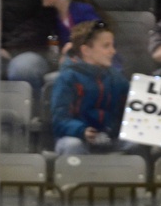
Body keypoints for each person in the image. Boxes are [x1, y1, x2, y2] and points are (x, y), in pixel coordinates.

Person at [51, 20, 140, 156]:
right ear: (86, 50)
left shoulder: (116, 77)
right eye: (106, 46)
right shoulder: (68, 78)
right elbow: (59, 120)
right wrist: (82, 131)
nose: (113, 51)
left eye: (113, 46)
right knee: (72, 145)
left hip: (109, 137)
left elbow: (133, 107)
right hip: (77, 137)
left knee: (136, 143)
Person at [38, 0, 108, 62]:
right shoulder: (51, 16)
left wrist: (75, 44)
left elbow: (100, 31)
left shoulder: (83, 10)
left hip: (93, 61)